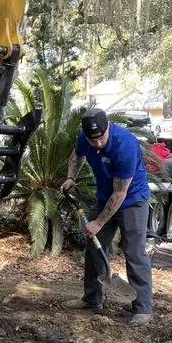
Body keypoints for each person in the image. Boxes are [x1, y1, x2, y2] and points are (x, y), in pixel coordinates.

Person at [61, 107, 153, 326]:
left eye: (101, 138)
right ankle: (92, 298)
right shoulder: (86, 139)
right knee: (94, 246)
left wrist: (98, 223)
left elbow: (120, 193)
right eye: (93, 140)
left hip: (132, 200)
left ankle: (142, 308)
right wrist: (70, 178)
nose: (98, 144)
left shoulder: (125, 145)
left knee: (134, 251)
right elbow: (75, 157)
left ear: (108, 128)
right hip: (105, 199)